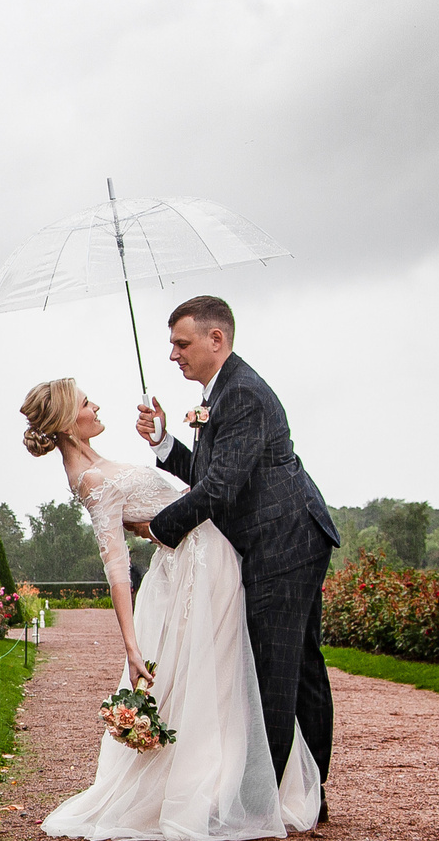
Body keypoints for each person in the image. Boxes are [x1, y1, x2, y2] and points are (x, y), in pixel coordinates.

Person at [20, 373, 320, 841]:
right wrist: (131, 646)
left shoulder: (100, 463)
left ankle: (236, 785)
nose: (95, 406)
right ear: (65, 419)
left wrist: (163, 441)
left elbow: (191, 487)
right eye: (85, 402)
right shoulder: (92, 479)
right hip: (194, 570)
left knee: (223, 677)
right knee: (216, 677)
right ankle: (216, 790)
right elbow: (116, 569)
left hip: (208, 557)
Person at [131, 295, 339, 804]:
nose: (174, 355)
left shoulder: (240, 393)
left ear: (215, 338)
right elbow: (211, 473)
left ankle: (260, 801)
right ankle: (309, 794)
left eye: (181, 343)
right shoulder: (222, 392)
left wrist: (158, 528)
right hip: (288, 537)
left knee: (275, 666)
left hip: (284, 542)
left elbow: (219, 488)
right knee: (301, 665)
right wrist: (164, 443)